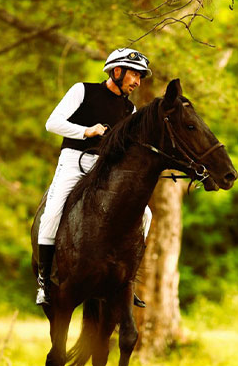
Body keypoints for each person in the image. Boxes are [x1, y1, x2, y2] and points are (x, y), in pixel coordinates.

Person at [36, 48, 153, 306]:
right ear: (117, 71)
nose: (137, 81)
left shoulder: (130, 109)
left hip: (104, 169)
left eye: (140, 77)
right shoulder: (82, 90)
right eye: (134, 74)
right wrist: (87, 131)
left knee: (146, 214)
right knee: (53, 212)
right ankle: (44, 281)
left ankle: (126, 280)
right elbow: (52, 123)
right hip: (72, 163)